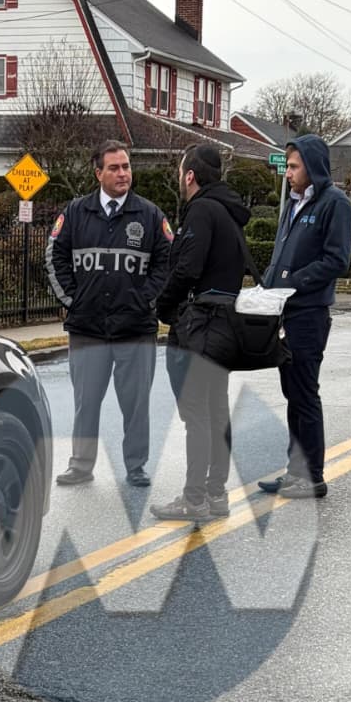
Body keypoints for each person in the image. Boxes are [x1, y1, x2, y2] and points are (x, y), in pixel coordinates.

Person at [46, 140, 173, 487]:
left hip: (136, 328)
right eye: (114, 168)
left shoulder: (150, 215)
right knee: (86, 403)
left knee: (136, 404)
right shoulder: (75, 213)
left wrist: (145, 300)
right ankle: (81, 465)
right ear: (98, 173)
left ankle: (136, 466)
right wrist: (72, 300)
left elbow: (167, 263)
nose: (123, 174)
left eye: (126, 166)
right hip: (87, 328)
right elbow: (54, 257)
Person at [150, 144, 250, 522]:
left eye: (181, 172)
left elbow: (188, 268)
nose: (180, 178)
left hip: (199, 324)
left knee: (196, 413)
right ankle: (215, 493)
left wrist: (163, 306)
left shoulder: (202, 210)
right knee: (216, 410)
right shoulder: (229, 212)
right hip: (226, 322)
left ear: (190, 176)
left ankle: (194, 499)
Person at [255, 135, 351, 499]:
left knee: (305, 394)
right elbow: (280, 256)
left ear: (313, 167)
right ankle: (294, 471)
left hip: (309, 314)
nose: (288, 174)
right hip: (284, 311)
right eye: (287, 166)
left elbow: (337, 260)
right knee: (292, 393)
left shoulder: (334, 203)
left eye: (294, 167)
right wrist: (267, 288)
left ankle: (312, 476)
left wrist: (293, 283)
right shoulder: (293, 204)